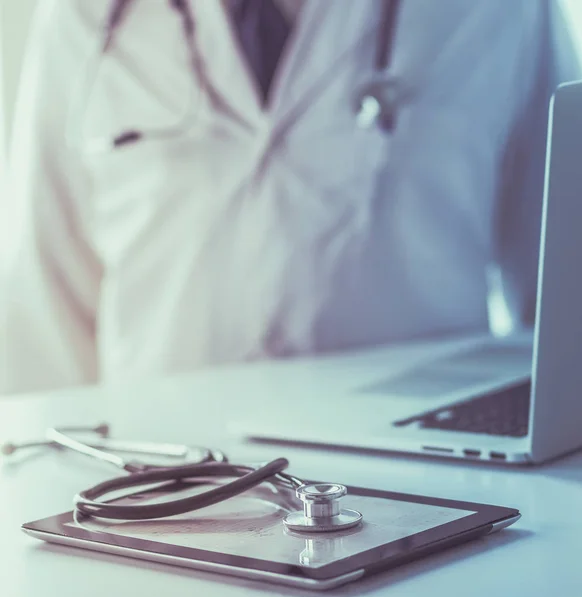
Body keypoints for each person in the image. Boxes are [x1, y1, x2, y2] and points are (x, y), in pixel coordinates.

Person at [0, 0, 578, 394]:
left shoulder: (501, 11)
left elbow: (563, 278)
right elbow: (47, 294)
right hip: (162, 485)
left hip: (423, 482)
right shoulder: (86, 15)